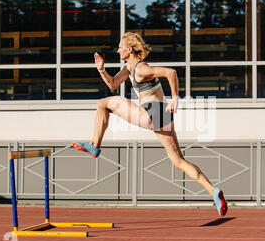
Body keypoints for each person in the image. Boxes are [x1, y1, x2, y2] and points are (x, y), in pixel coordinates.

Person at [72, 32, 227, 217]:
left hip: (150, 112)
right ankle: (213, 192)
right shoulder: (129, 68)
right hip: (162, 116)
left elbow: (171, 72)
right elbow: (113, 84)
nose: (118, 50)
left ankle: (95, 146)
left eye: (120, 47)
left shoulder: (140, 69)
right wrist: (101, 69)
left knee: (102, 103)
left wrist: (175, 99)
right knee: (178, 161)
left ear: (129, 50)